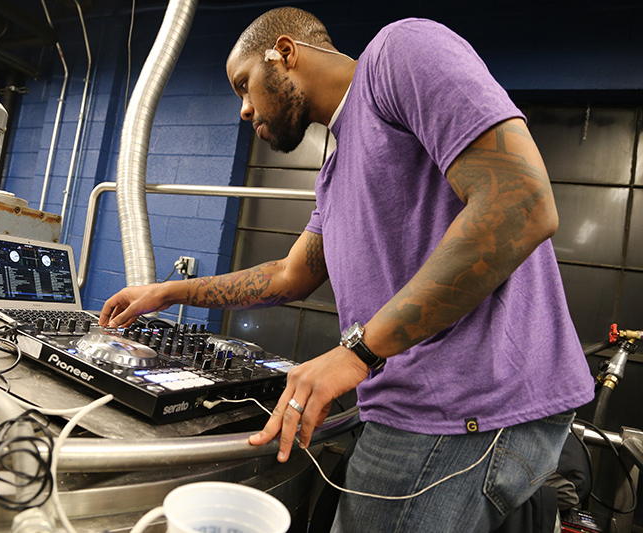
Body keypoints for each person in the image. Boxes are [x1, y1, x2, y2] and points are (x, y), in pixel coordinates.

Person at [100, 7, 595, 532]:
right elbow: (290, 275)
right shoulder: (334, 173)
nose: (243, 110)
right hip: (416, 409)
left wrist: (357, 352)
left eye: (244, 84)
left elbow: (520, 204)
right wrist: (170, 291)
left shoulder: (397, 53)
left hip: (462, 411)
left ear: (284, 54)